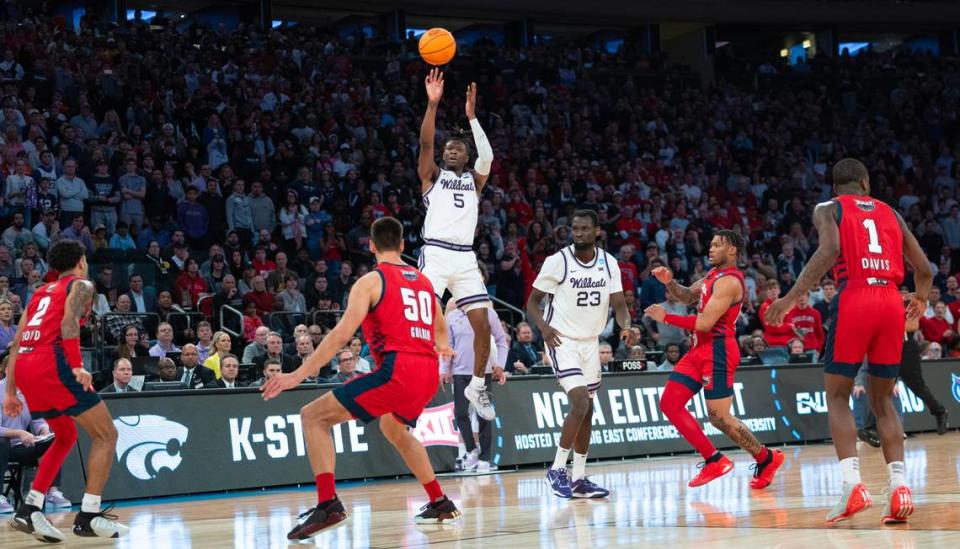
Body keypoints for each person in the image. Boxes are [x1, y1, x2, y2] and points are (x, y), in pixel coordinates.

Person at [261, 217, 462, 540]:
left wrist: (298, 373)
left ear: (370, 246)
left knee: (313, 417)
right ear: (401, 245)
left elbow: (342, 334)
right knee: (393, 428)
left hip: (399, 369)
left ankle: (328, 504)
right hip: (427, 373)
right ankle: (439, 501)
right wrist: (442, 346)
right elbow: (440, 328)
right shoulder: (424, 282)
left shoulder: (371, 281)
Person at [765, 158, 932, 525]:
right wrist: (918, 301)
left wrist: (790, 298)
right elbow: (924, 269)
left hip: (855, 296)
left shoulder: (828, 208)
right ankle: (900, 486)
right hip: (891, 299)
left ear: (835, 186)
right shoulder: (891, 213)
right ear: (865, 182)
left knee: (838, 395)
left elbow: (828, 251)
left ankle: (851, 485)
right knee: (884, 398)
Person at [2, 240, 128, 541]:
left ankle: (29, 508)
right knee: (106, 434)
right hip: (53, 363)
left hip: (27, 368)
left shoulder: (39, 293)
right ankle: (89, 515)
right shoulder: (82, 284)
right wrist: (76, 366)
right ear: (82, 261)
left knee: (67, 435)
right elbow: (70, 322)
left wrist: (10, 389)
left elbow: (17, 342)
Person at [646, 230, 785, 490]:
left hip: (718, 351)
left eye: (717, 245)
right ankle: (714, 459)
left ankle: (767, 457)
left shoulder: (730, 281)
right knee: (670, 403)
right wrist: (669, 282)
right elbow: (688, 295)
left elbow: (705, 322)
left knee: (719, 418)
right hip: (698, 350)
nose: (710, 249)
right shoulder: (712, 275)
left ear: (732, 250)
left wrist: (666, 318)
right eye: (710, 244)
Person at [526, 210, 634, 498]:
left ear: (597, 231)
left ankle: (579, 477)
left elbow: (620, 304)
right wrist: (544, 328)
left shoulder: (609, 263)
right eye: (575, 229)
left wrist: (627, 325)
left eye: (585, 229)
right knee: (580, 401)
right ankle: (557, 469)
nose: (579, 233)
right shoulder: (558, 261)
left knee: (588, 411)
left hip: (590, 342)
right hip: (562, 340)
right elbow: (532, 303)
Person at [418, 69, 496, 420]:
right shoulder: (432, 177)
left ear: (465, 156)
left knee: (485, 326)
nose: (449, 152)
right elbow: (425, 145)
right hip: (434, 253)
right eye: (447, 149)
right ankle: (414, 384)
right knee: (420, 322)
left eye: (456, 149)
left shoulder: (476, 182)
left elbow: (489, 157)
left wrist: (472, 118)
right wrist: (432, 105)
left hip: (465, 259)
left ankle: (477, 387)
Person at [440, 299, 508, 473]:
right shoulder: (452, 316)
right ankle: (471, 450)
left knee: (483, 415)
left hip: (482, 371)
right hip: (459, 371)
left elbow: (501, 340)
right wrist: (444, 369)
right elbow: (448, 345)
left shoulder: (488, 313)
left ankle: (485, 458)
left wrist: (500, 364)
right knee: (461, 413)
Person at [0, 351, 72, 514]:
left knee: (56, 440)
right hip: (3, 446)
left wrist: (43, 429)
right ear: (6, 371)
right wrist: (19, 432)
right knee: (1, 442)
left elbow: (37, 419)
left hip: (21, 445)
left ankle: (52, 492)